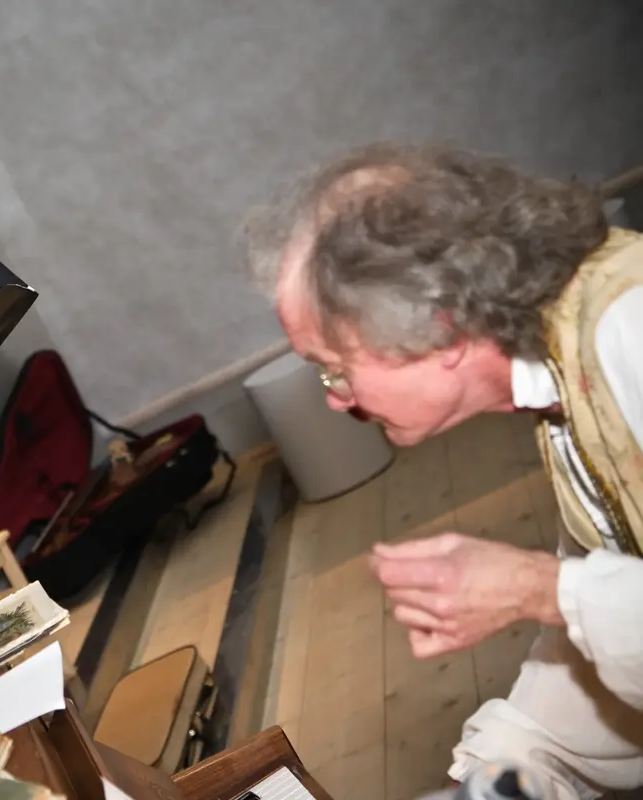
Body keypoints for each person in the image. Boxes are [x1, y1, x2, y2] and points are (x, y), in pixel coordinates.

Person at [241, 142, 643, 800]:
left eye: (335, 369)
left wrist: (540, 589)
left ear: (443, 330)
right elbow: (605, 593)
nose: (334, 399)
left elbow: (583, 595)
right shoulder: (558, 358)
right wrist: (498, 765)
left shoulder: (631, 328)